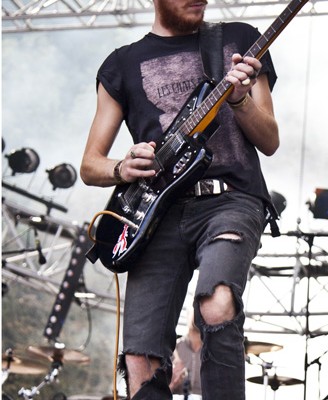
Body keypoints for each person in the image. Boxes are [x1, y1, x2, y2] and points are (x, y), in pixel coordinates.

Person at [80, 0, 279, 397]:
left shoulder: (239, 40)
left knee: (217, 302)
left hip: (230, 200)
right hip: (156, 215)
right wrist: (123, 167)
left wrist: (240, 99)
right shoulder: (121, 64)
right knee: (140, 359)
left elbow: (270, 140)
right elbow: (90, 165)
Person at [169, 312, 203, 397]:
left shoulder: (212, 353)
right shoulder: (173, 349)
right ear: (187, 315)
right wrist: (172, 384)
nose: (198, 313)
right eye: (194, 308)